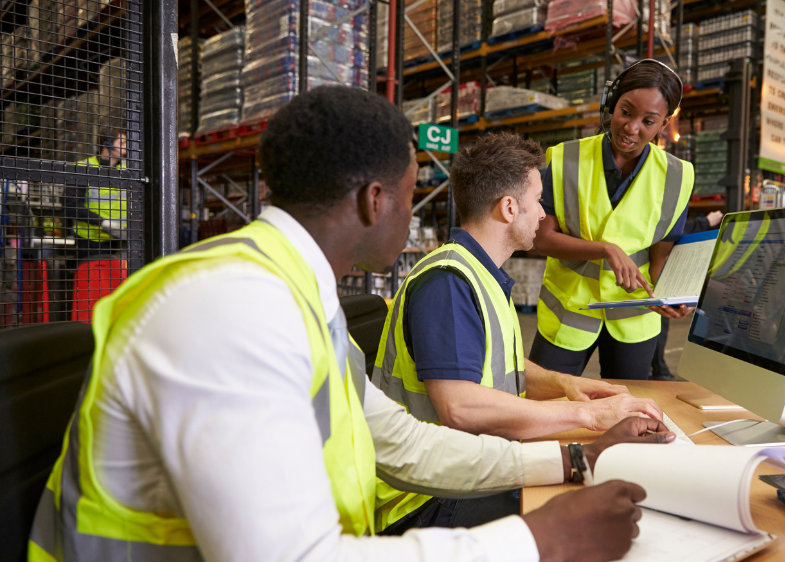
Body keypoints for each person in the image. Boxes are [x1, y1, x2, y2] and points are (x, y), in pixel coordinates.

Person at [28, 86, 676, 562]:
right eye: (410, 189)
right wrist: (543, 539)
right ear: (375, 200)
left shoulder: (298, 292)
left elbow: (401, 442)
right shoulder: (231, 308)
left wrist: (572, 459)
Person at [371, 132, 666, 534]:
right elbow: (461, 407)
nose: (544, 214)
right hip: (426, 500)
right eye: (538, 200)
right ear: (509, 208)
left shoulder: (479, 273)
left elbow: (501, 364)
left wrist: (567, 384)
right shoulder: (447, 283)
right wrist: (587, 415)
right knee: (607, 508)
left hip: (467, 471)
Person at [531, 60, 696, 380]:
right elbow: (542, 239)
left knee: (628, 412)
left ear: (663, 124)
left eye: (648, 121)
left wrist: (672, 295)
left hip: (634, 317)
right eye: (625, 112)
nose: (632, 128)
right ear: (611, 105)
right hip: (569, 310)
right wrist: (605, 249)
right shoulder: (565, 158)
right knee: (542, 399)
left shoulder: (678, 177)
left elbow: (659, 257)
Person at [650, 209, 723, 381]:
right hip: (649, 285)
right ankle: (659, 370)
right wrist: (704, 222)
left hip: (655, 283)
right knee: (660, 325)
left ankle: (659, 368)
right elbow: (674, 228)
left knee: (660, 325)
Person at [64, 129, 128, 257]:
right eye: (122, 143)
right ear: (107, 144)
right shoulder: (83, 168)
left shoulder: (128, 171)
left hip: (122, 240)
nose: (126, 147)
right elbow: (70, 205)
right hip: (91, 242)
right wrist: (102, 222)